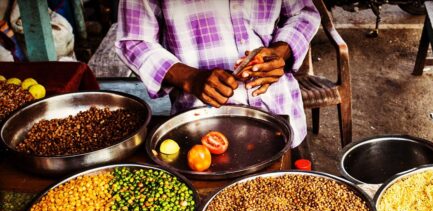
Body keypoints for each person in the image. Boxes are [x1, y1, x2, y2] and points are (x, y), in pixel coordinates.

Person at [115, 0, 321, 147]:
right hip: (201, 127)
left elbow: (303, 13)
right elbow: (134, 40)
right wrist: (190, 78)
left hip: (281, 110)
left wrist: (280, 52)